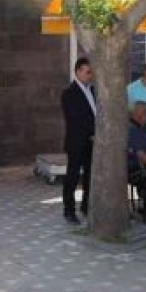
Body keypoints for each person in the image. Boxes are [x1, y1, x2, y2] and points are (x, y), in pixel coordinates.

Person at [60, 57, 97, 225]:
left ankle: (86, 206)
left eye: (91, 72)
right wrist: (92, 132)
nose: (90, 75)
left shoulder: (93, 90)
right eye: (88, 72)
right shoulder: (69, 93)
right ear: (78, 72)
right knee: (73, 177)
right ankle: (69, 210)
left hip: (92, 142)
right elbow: (75, 119)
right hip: (77, 142)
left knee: (89, 176)